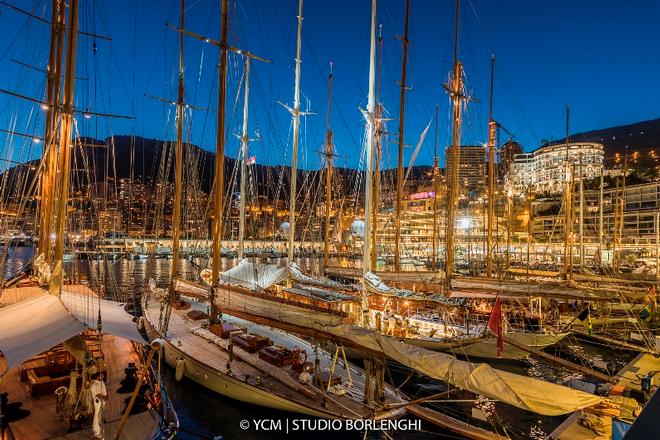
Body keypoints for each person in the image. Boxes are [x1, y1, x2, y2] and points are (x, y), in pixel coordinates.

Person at [90, 372, 108, 439]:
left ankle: (101, 430)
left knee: (101, 416)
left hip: (103, 401)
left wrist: (106, 396)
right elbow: (97, 394)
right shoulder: (94, 385)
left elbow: (104, 391)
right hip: (98, 403)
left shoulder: (102, 382)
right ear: (97, 376)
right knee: (97, 416)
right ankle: (97, 432)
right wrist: (104, 397)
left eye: (103, 375)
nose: (103, 377)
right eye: (101, 375)